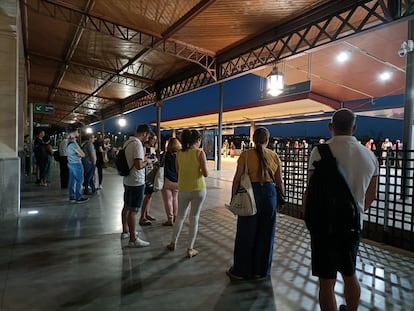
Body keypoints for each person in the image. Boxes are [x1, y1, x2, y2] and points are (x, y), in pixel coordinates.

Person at [304, 108, 378, 311]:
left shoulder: (319, 151)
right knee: (349, 272)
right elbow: (371, 195)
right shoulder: (370, 156)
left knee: (326, 280)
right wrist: (355, 210)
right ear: (354, 127)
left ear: (331, 127)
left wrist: (309, 217)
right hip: (352, 225)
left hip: (324, 224)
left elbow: (310, 190)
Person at [226, 127, 283, 281]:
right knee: (266, 234)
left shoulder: (245, 155)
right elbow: (279, 181)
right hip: (270, 195)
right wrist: (280, 199)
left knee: (246, 233)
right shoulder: (274, 156)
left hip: (252, 194)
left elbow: (237, 179)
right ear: (267, 140)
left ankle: (241, 271)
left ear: (253, 139)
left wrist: (233, 198)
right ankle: (261, 271)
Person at [166, 129, 208, 258]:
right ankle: (190, 249)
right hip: (198, 189)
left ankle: (173, 242)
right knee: (194, 218)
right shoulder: (200, 153)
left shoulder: (179, 153)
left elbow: (178, 171)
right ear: (197, 141)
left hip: (183, 189)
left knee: (180, 216)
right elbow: (205, 173)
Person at [120, 124, 154, 247]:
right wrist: (148, 161)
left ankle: (126, 231)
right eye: (148, 135)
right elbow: (139, 165)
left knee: (126, 207)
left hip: (127, 179)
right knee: (134, 210)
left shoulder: (127, 142)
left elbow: (131, 160)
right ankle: (133, 239)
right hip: (136, 181)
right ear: (144, 133)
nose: (148, 137)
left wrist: (142, 158)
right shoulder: (138, 144)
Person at [161, 137, 181, 226]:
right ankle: (176, 217)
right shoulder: (180, 155)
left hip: (167, 180)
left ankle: (170, 219)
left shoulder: (165, 155)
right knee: (175, 199)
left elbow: (159, 164)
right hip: (177, 180)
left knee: (168, 200)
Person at [139, 132, 158, 226]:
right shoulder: (143, 149)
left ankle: (146, 214)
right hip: (145, 174)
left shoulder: (152, 149)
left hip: (150, 173)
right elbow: (142, 160)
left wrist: (154, 160)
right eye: (153, 139)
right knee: (146, 196)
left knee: (149, 196)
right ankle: (142, 216)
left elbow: (154, 159)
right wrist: (149, 160)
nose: (154, 141)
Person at [67, 126, 89, 203]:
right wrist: (80, 154)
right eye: (77, 132)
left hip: (70, 163)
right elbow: (83, 154)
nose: (78, 133)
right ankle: (78, 197)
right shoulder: (74, 144)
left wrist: (78, 153)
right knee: (79, 180)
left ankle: (72, 196)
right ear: (73, 133)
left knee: (72, 180)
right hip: (77, 164)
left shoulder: (68, 141)